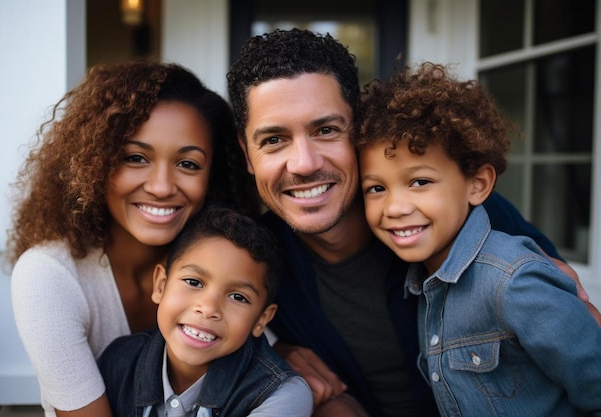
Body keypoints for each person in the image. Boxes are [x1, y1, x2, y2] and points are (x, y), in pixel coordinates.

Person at [226, 28, 601, 417]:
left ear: (358, 130)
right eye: (273, 140)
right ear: (247, 153)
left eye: (326, 130)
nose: (304, 163)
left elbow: (572, 329)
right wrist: (271, 354)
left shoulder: (464, 219)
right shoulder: (254, 255)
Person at [9, 61, 259, 417]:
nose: (161, 187)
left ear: (212, 177)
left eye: (188, 164)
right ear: (94, 164)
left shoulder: (223, 262)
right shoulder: (49, 275)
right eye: (135, 158)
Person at [356, 62, 601, 416]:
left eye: (420, 182)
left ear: (477, 184)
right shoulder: (422, 285)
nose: (394, 207)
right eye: (376, 188)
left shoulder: (514, 282)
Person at [97, 204, 313, 416]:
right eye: (193, 282)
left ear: (261, 320)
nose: (209, 309)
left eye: (238, 297)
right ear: (161, 285)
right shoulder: (118, 362)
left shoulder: (281, 394)